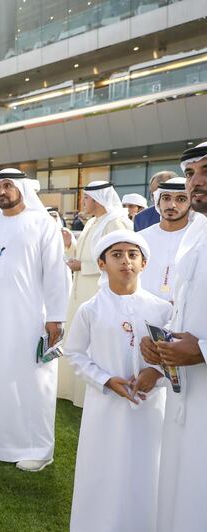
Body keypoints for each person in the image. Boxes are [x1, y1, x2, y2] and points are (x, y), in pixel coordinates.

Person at [0, 168, 70, 472]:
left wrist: (55, 316)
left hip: (29, 318)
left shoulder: (42, 224)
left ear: (22, 189)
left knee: (32, 380)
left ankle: (38, 448)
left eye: (8, 185)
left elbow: (55, 272)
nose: (2, 191)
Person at [67, 230, 169, 532]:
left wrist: (157, 373)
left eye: (132, 254)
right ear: (102, 264)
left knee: (147, 469)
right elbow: (74, 353)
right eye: (117, 254)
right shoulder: (90, 310)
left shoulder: (162, 309)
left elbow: (170, 358)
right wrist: (106, 380)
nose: (126, 261)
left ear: (144, 263)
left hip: (150, 410)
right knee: (103, 470)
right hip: (105, 408)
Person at [141, 141, 207, 531]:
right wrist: (162, 345)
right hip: (187, 388)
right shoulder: (196, 233)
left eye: (205, 171)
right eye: (190, 173)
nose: (196, 182)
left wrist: (202, 349)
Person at [59, 181, 133, 408]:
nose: (83, 203)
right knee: (79, 338)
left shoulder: (116, 222)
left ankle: (94, 390)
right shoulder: (93, 222)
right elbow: (85, 252)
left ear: (98, 199)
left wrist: (84, 266)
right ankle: (74, 391)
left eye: (86, 198)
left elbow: (124, 258)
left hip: (102, 290)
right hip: (82, 289)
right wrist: (70, 244)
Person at [138, 177, 192, 301]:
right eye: (166, 198)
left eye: (181, 199)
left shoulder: (199, 238)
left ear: (191, 204)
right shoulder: (140, 238)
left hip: (187, 311)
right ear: (158, 202)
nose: (172, 205)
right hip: (144, 310)